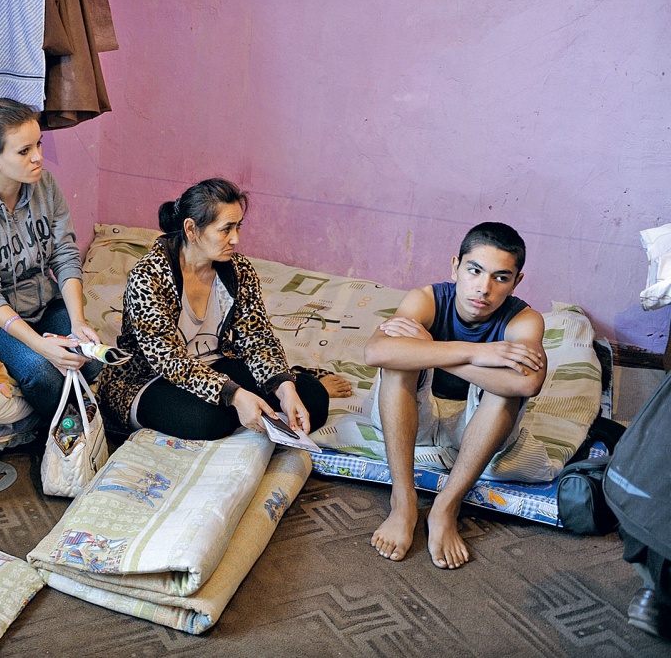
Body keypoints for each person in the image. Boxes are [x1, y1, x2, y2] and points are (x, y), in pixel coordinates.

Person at [97, 178, 346, 441]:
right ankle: (242, 407)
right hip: (150, 378)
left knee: (312, 398)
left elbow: (257, 338)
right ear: (191, 230)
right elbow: (169, 361)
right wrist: (235, 395)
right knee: (208, 422)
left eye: (238, 227)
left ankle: (263, 398)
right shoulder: (149, 276)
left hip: (216, 365)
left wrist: (284, 388)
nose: (236, 239)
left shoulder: (239, 270)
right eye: (226, 229)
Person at [364, 222, 546, 569]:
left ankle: (446, 508)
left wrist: (432, 350)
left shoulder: (524, 319)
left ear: (516, 282)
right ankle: (403, 500)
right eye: (474, 271)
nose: (483, 288)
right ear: (455, 267)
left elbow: (528, 385)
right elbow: (375, 352)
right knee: (397, 363)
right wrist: (476, 352)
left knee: (506, 388)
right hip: (412, 419)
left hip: (477, 431)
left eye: (501, 278)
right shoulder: (426, 299)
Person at [0, 99, 102, 426]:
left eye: (38, 144)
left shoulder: (46, 185)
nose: (38, 157)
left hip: (43, 302)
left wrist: (77, 321)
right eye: (24, 151)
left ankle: (77, 426)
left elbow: (65, 254)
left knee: (92, 360)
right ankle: (62, 435)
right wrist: (41, 346)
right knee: (42, 374)